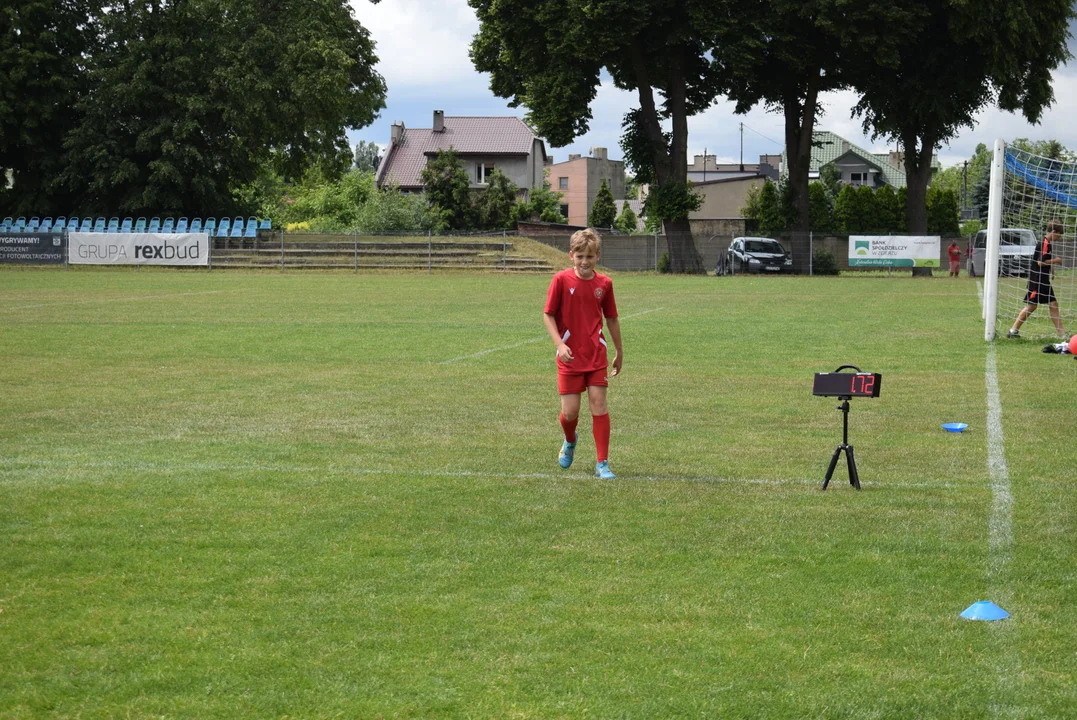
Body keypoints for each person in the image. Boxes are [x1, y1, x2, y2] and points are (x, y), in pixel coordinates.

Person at [543, 228, 623, 479]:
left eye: (589, 256)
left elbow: (611, 319)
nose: (584, 261)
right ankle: (570, 439)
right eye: (580, 256)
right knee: (570, 414)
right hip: (570, 357)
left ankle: (602, 463)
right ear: (571, 256)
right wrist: (559, 344)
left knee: (599, 405)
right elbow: (548, 314)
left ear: (597, 256)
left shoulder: (605, 284)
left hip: (596, 355)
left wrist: (619, 351)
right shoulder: (561, 280)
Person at [1007, 219, 1069, 339]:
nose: (1059, 237)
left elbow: (1043, 260)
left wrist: (1051, 270)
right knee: (1032, 306)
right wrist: (1056, 261)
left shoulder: (1047, 243)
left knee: (1053, 304)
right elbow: (1040, 262)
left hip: (1043, 280)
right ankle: (1013, 331)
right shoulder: (1044, 243)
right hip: (1037, 280)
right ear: (1054, 231)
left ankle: (1062, 334)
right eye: (1059, 234)